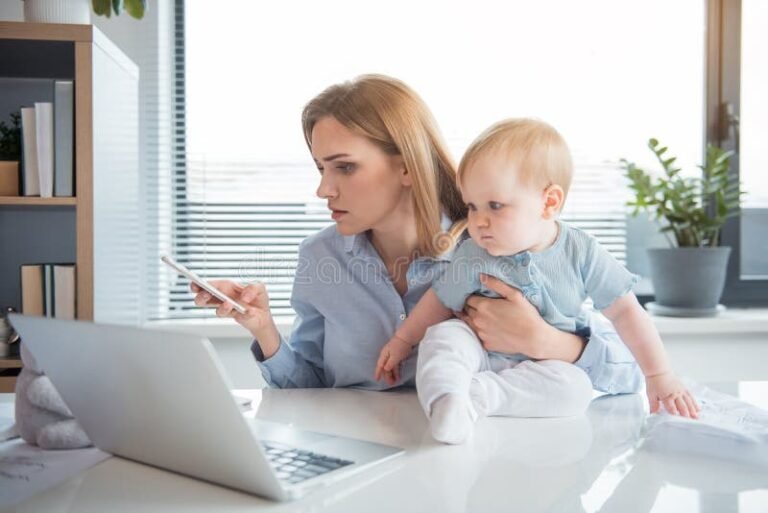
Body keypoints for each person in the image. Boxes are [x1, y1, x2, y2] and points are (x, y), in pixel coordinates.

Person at [191, 75, 641, 400]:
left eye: (344, 167)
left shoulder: (495, 243)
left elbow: (629, 376)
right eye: (320, 168)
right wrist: (263, 329)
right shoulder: (319, 257)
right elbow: (313, 390)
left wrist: (547, 343)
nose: (324, 189)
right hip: (363, 461)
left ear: (407, 165)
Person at [374, 118, 699, 444]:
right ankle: (445, 400)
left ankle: (475, 397)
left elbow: (627, 313)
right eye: (472, 207)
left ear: (549, 202)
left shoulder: (582, 251)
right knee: (444, 338)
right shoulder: (474, 253)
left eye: (495, 206)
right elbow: (440, 300)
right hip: (479, 349)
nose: (478, 221)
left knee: (575, 389)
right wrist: (403, 340)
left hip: (543, 364)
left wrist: (659, 375)